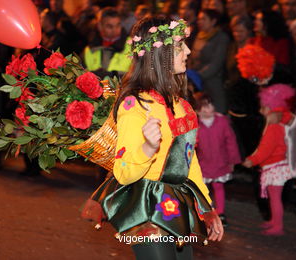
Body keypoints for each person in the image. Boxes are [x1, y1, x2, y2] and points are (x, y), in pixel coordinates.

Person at [86, 17, 224, 259]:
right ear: (160, 54)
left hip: (174, 205)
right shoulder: (135, 104)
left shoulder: (182, 106)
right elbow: (123, 172)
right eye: (181, 46)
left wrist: (207, 208)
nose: (189, 51)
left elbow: (189, 163)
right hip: (145, 206)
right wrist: (148, 148)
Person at [242, 84, 296, 236]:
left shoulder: (273, 126)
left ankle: (277, 226)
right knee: (274, 197)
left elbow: (266, 149)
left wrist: (252, 160)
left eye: (263, 108)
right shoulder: (280, 121)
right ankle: (274, 221)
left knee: (275, 198)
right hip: (277, 164)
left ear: (271, 107)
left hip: (275, 165)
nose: (260, 111)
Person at [195, 93, 241, 226]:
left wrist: (233, 160)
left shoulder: (222, 122)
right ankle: (205, 212)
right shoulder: (195, 125)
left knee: (219, 187)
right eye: (204, 107)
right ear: (198, 110)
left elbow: (231, 142)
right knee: (202, 189)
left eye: (210, 105)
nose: (209, 109)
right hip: (203, 164)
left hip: (220, 162)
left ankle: (220, 213)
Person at [188, 8, 230, 114]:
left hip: (213, 82)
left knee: (217, 114)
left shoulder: (221, 37)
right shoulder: (199, 36)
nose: (199, 22)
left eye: (203, 19)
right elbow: (192, 57)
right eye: (199, 19)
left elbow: (216, 63)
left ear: (213, 21)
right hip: (198, 83)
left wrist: (198, 76)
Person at [83, 7, 132, 78]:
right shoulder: (89, 50)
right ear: (100, 26)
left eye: (118, 25)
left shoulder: (132, 44)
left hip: (125, 87)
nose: (115, 30)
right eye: (110, 26)